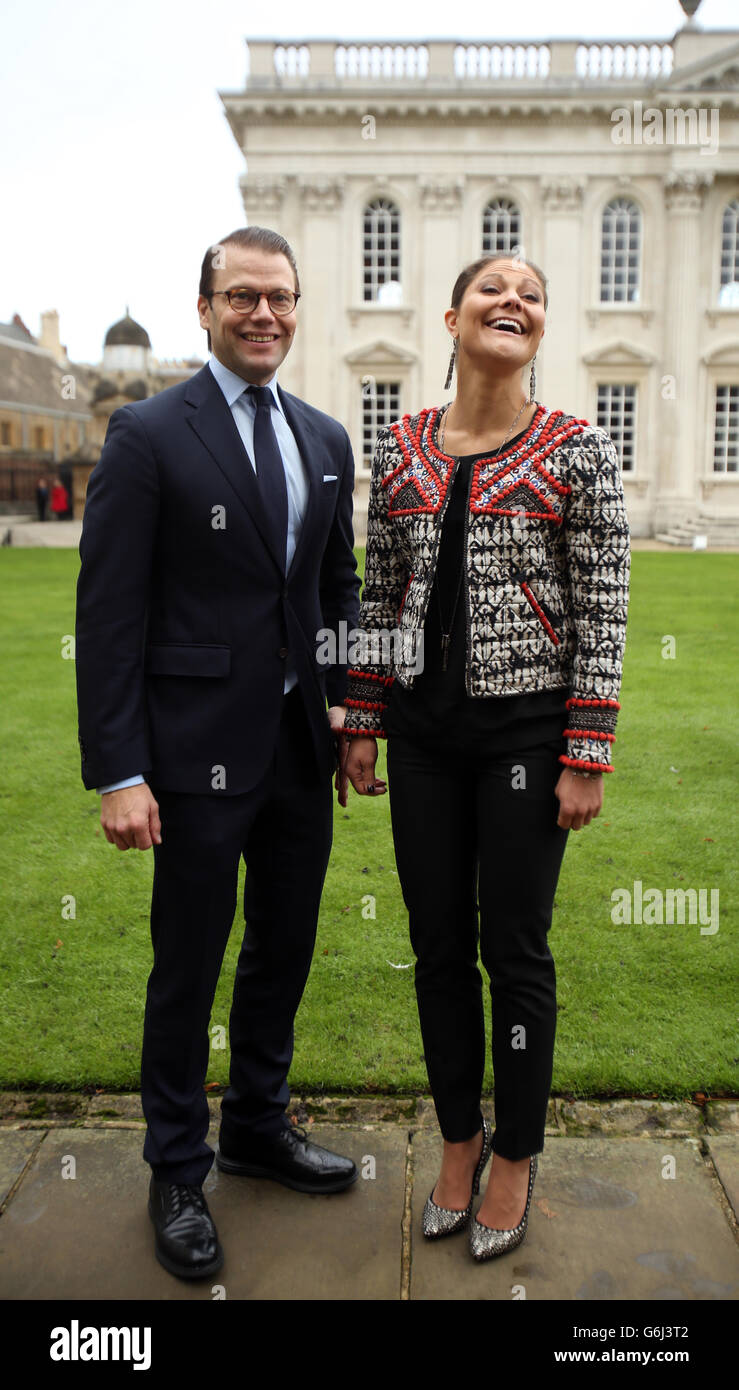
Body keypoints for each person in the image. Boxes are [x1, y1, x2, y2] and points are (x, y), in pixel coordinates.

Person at [75, 226, 361, 1281]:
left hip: (296, 751)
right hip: (188, 755)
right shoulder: (148, 433)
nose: (264, 314)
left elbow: (336, 588)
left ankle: (255, 1125)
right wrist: (120, 769)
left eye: (280, 297)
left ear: (296, 308)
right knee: (187, 967)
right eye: (242, 296)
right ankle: (176, 1167)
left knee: (281, 954)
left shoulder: (324, 439)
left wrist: (350, 712)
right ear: (204, 309)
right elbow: (107, 613)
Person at [339, 254, 630, 1261]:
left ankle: (514, 1153)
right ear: (453, 317)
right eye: (495, 292)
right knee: (434, 948)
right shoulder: (406, 445)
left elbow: (603, 610)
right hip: (423, 735)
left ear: (539, 331)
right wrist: (362, 718)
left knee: (514, 949)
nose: (516, 303)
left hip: (524, 733)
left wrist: (585, 748)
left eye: (532, 297)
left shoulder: (575, 450)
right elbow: (381, 595)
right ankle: (457, 1139)